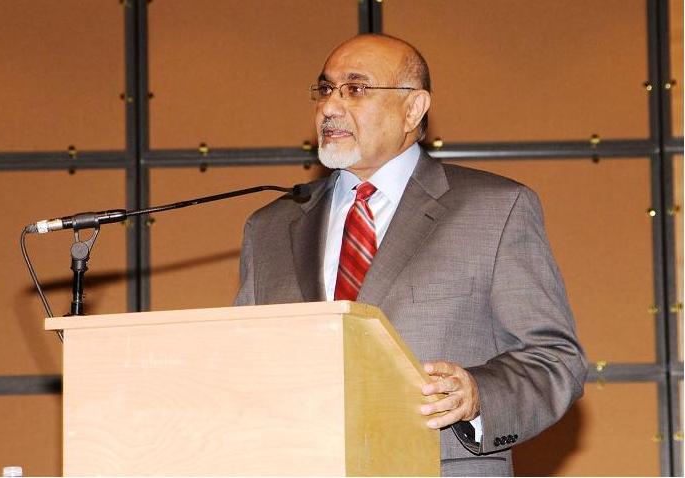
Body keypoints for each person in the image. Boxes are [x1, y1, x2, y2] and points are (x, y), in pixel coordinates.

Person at [234, 34, 587, 476]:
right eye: (325, 89)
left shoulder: (494, 209)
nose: (329, 107)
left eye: (356, 89)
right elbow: (241, 366)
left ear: (413, 108)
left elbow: (555, 359)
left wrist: (478, 394)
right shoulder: (269, 227)